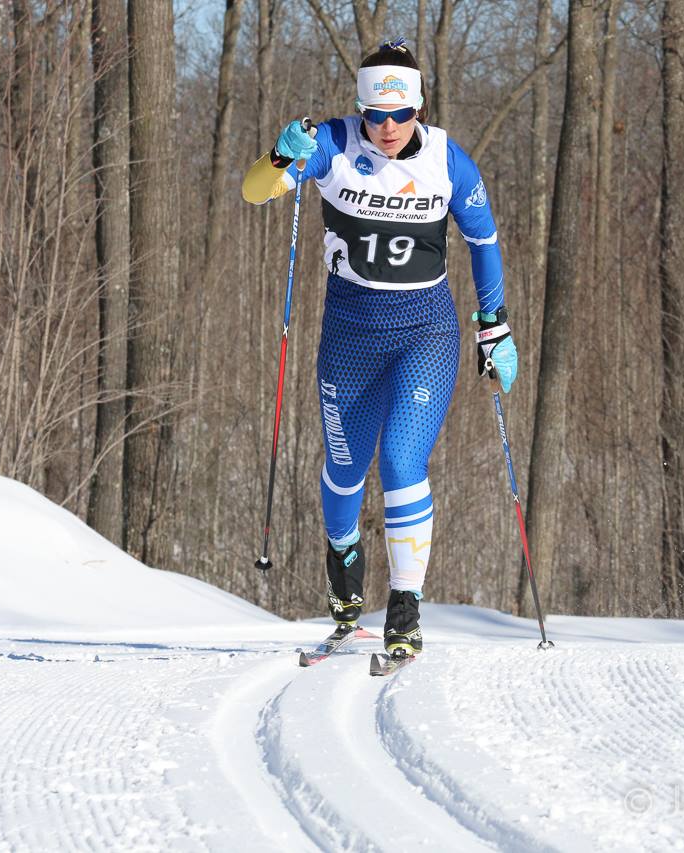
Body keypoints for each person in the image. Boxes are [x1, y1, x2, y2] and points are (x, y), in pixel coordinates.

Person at [241, 38, 517, 659]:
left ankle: (404, 607)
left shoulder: (449, 161)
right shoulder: (333, 144)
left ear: (418, 108)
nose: (387, 128)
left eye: (399, 115)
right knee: (345, 471)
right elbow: (255, 191)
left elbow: (484, 241)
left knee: (400, 461)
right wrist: (282, 153)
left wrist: (494, 323)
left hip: (425, 331)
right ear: (361, 109)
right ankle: (343, 568)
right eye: (376, 115)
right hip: (348, 337)